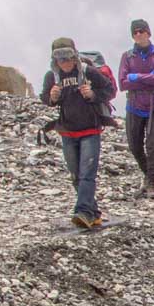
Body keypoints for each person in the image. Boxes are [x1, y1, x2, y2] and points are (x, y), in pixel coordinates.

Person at [41, 37, 118, 228]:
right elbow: (45, 99)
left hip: (90, 130)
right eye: (60, 58)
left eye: (68, 57)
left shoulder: (88, 72)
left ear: (75, 56)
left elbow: (110, 90)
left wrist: (92, 95)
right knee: (76, 175)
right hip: (67, 132)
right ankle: (93, 213)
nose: (64, 62)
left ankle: (82, 211)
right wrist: (51, 98)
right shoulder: (52, 77)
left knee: (87, 174)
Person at [117, 19, 154, 194]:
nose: (138, 35)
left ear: (148, 32)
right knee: (134, 145)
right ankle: (148, 174)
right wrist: (150, 77)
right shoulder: (127, 56)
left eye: (141, 31)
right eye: (135, 33)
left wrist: (136, 77)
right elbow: (123, 83)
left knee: (153, 145)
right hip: (134, 105)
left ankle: (152, 182)